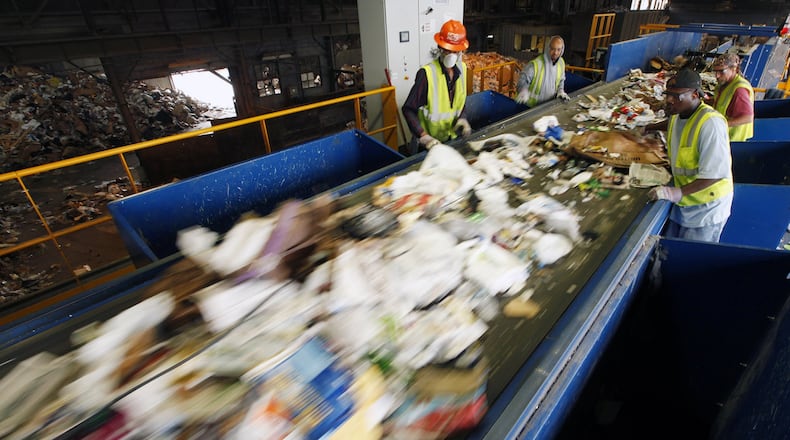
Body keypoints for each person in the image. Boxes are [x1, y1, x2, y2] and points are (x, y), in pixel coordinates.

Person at [648, 69, 734, 242]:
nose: (669, 100)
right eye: (668, 94)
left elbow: (715, 174)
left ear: (695, 95)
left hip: (706, 208)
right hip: (685, 202)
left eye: (676, 96)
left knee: (688, 260)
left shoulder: (710, 124)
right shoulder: (679, 114)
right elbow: (671, 123)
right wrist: (648, 128)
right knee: (668, 253)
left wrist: (675, 193)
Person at [402, 19, 472, 153]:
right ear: (440, 48)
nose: (451, 55)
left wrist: (463, 118)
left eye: (455, 51)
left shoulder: (462, 70)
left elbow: (460, 102)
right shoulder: (426, 74)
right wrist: (423, 136)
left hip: (451, 140)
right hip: (429, 146)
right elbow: (408, 109)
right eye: (447, 50)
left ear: (461, 51)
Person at [710, 53, 754, 141]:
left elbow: (747, 118)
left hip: (733, 139)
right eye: (715, 71)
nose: (717, 76)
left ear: (733, 69)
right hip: (722, 134)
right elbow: (721, 102)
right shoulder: (724, 84)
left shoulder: (739, 89)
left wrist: (722, 124)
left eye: (721, 71)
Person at [515, 35, 570, 107]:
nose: (555, 53)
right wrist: (523, 90)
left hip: (549, 105)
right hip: (531, 107)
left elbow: (561, 80)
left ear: (562, 50)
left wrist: (560, 91)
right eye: (553, 49)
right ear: (548, 48)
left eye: (558, 49)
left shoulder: (561, 63)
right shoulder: (536, 64)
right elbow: (523, 79)